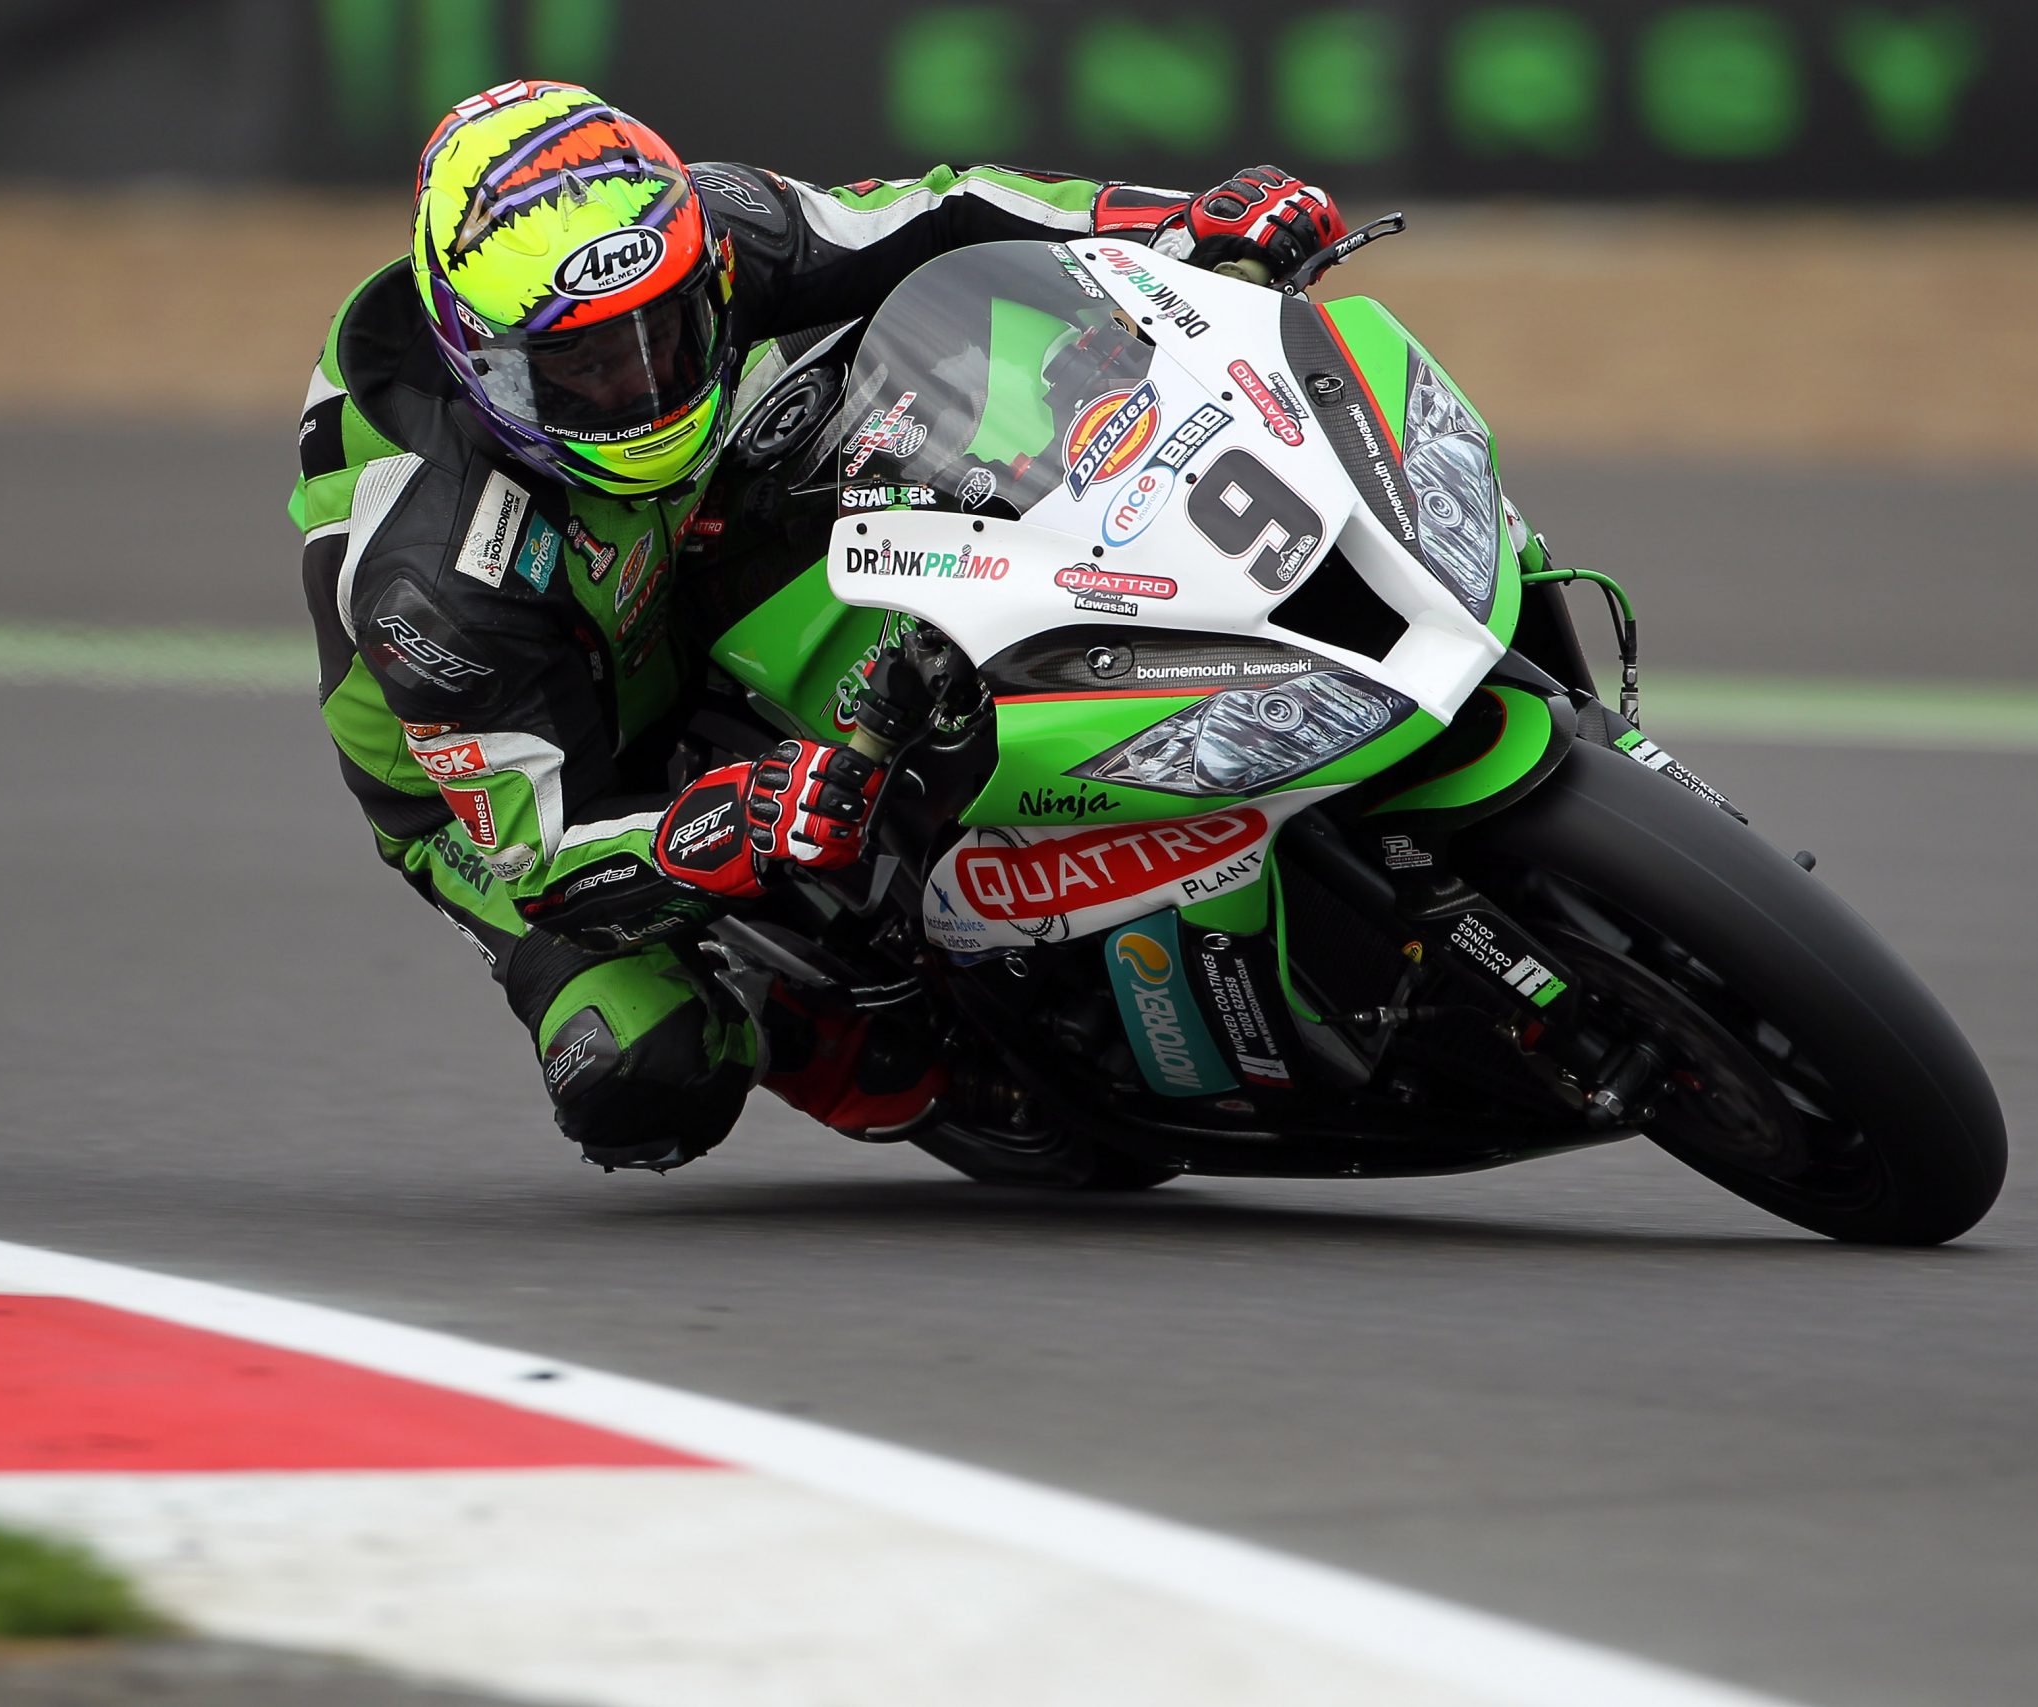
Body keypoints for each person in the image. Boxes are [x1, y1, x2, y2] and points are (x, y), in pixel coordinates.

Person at [288, 79, 1346, 1173]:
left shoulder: (704, 229)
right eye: (587, 365)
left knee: (917, 390)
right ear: (487, 363)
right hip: (512, 777)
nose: (643, 383)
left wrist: (1173, 222)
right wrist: (731, 822)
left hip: (676, 531)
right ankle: (802, 1013)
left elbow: (941, 215)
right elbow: (542, 852)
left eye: (667, 331)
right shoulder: (435, 575)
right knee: (644, 1072)